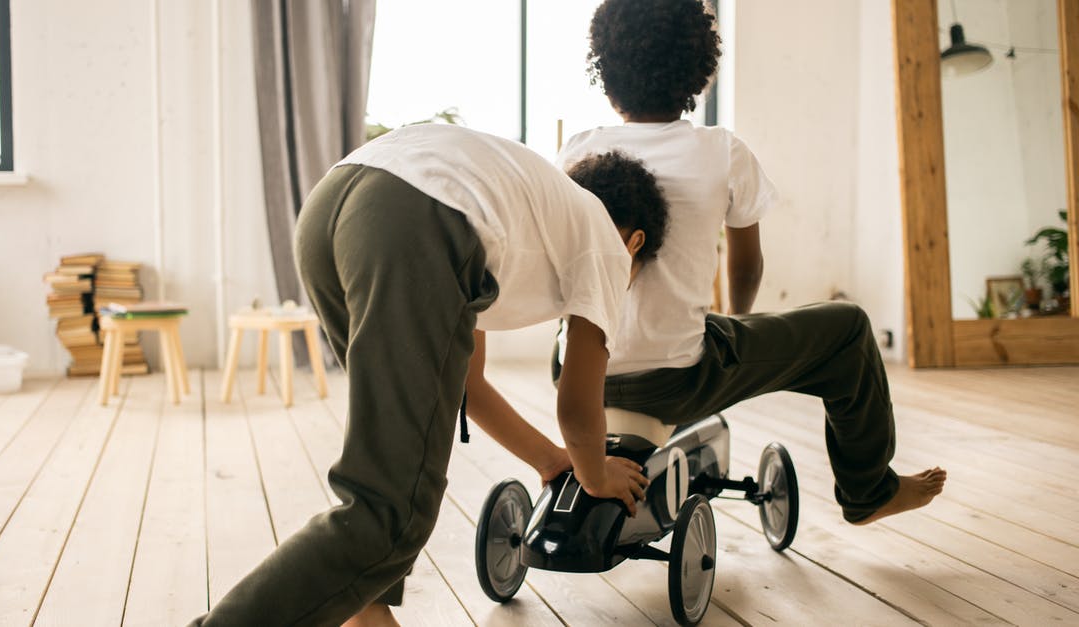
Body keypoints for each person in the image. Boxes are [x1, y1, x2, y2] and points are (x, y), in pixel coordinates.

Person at [189, 123, 669, 627]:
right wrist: (595, 474)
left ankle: (367, 614)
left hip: (333, 206)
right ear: (635, 241)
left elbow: (466, 383)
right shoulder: (608, 246)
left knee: (389, 461)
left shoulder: (521, 209)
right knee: (390, 510)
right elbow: (577, 405)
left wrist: (551, 461)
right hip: (414, 219)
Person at [553, 0, 945, 527]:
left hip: (575, 369)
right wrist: (738, 319)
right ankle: (869, 488)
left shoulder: (577, 151)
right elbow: (746, 266)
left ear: (606, 72)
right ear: (697, 71)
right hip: (675, 379)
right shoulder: (721, 151)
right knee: (848, 330)